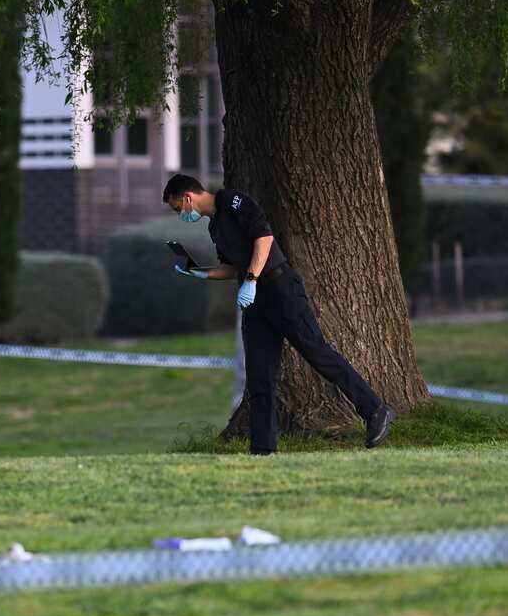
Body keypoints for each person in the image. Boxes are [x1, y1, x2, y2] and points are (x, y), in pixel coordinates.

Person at [163, 174, 396, 453]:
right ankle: (263, 450)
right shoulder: (215, 227)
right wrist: (201, 273)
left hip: (280, 289)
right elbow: (232, 267)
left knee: (317, 352)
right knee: (259, 376)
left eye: (178, 208)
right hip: (255, 302)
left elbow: (263, 238)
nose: (181, 214)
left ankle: (375, 409)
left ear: (188, 198)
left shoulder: (233, 200)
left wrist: (250, 280)